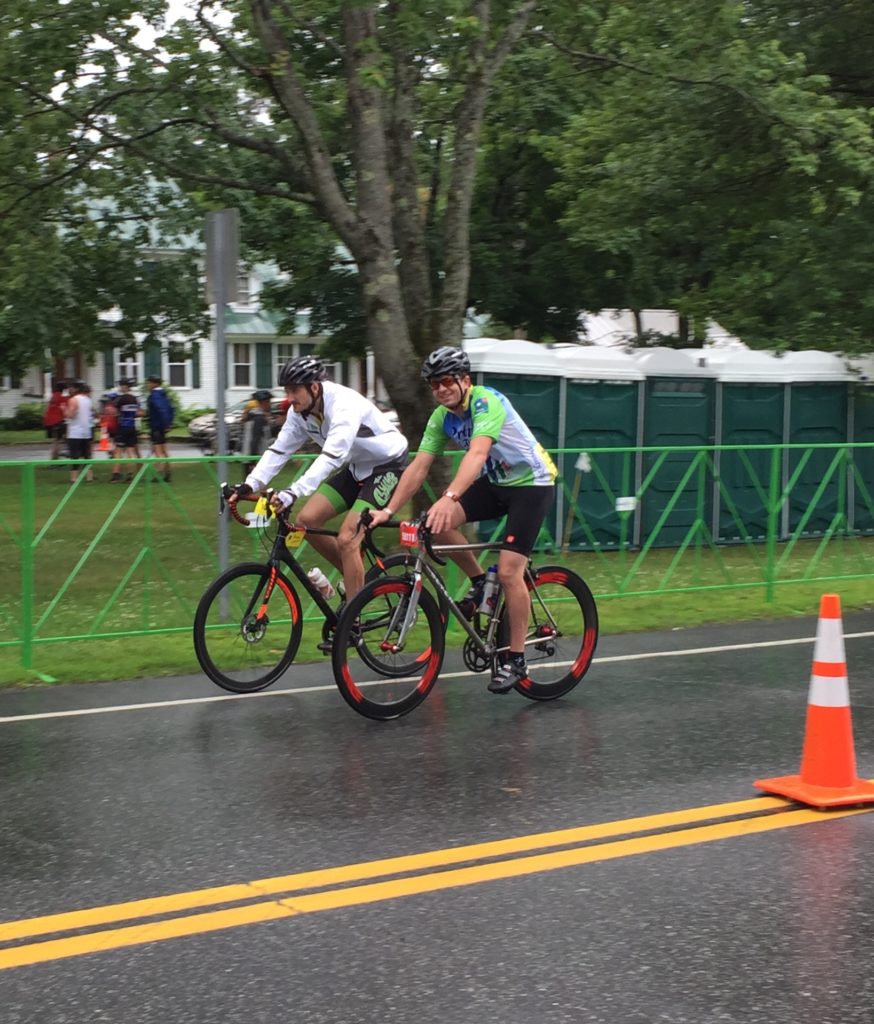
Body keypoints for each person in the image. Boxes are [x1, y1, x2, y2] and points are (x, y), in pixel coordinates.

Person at [366, 346, 558, 694]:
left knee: (511, 570)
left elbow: (478, 453)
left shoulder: (486, 402)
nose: (441, 389)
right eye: (434, 384)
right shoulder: (442, 417)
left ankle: (516, 659)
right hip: (498, 483)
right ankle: (481, 581)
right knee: (434, 525)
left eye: (447, 381)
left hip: (532, 484)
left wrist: (450, 496)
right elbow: (419, 466)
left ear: (465, 381)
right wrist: (388, 510)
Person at [227, 355, 409, 612]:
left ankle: (351, 622)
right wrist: (250, 484)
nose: (290, 397)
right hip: (358, 467)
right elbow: (280, 450)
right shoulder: (299, 413)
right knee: (306, 522)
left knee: (347, 537)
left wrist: (293, 492)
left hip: (388, 465)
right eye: (287, 390)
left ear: (314, 387)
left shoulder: (343, 405)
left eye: (294, 390)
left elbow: (332, 456)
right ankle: (359, 581)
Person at [64, 380, 95, 484]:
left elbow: (71, 415)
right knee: (87, 455)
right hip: (86, 432)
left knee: (74, 455)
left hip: (75, 432)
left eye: (71, 387)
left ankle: (74, 478)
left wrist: (64, 409)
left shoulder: (73, 400)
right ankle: (89, 476)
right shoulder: (88, 400)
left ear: (76, 389)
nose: (69, 390)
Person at [113, 378, 142, 481]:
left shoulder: (120, 399)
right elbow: (139, 413)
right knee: (130, 451)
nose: (120, 387)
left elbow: (115, 412)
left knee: (118, 451)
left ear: (125, 386)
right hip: (132, 427)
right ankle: (130, 475)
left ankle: (116, 475)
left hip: (123, 426)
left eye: (121, 385)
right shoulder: (135, 399)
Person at [146, 375, 174, 482]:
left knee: (157, 450)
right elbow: (171, 409)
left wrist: (165, 423)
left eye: (149, 383)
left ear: (155, 384)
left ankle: (157, 474)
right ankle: (168, 472)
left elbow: (161, 409)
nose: (148, 385)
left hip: (156, 425)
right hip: (162, 425)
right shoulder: (164, 395)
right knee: (164, 450)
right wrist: (169, 423)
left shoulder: (155, 395)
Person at [240, 389, 273, 476]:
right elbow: (255, 439)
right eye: (269, 402)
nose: (270, 405)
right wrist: (252, 461)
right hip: (257, 458)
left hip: (249, 456)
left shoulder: (252, 417)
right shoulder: (259, 419)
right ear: (263, 403)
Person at [43, 381, 68, 463]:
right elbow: (64, 410)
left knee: (55, 441)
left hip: (48, 421)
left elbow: (47, 409)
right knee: (57, 442)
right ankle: (55, 461)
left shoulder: (53, 396)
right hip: (57, 421)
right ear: (63, 389)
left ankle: (54, 459)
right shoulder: (62, 398)